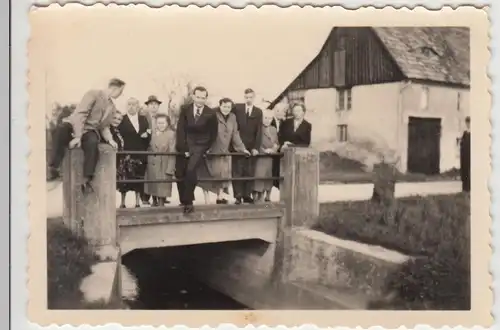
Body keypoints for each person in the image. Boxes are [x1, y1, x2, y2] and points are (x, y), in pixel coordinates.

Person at [47, 78, 125, 193]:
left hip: (89, 130)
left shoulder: (112, 107)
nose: (121, 94)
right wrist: (78, 136)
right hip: (74, 124)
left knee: (92, 143)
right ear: (114, 88)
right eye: (121, 91)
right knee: (61, 130)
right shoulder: (93, 94)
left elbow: (104, 126)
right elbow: (81, 114)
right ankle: (53, 167)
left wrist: (110, 140)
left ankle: (87, 180)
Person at [198, 98, 250, 204]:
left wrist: (243, 148)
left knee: (223, 174)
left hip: (224, 150)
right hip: (212, 149)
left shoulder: (232, 117)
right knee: (209, 173)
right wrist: (204, 147)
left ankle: (220, 197)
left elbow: (235, 134)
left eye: (229, 107)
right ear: (220, 106)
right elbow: (205, 132)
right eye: (224, 106)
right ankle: (207, 199)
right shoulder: (212, 115)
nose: (226, 109)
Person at [175, 86, 218, 213]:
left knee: (191, 169)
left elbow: (213, 133)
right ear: (193, 97)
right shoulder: (185, 109)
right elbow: (180, 128)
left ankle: (189, 202)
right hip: (185, 144)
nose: (200, 100)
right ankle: (183, 199)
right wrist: (183, 147)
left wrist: (206, 148)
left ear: (206, 98)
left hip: (201, 145)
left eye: (203, 98)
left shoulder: (211, 113)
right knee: (180, 171)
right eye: (198, 97)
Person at [117, 97, 151, 208]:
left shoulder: (143, 119)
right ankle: (123, 202)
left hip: (140, 152)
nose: (131, 107)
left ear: (138, 106)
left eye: (134, 104)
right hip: (126, 153)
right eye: (129, 104)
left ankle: (137, 202)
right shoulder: (122, 119)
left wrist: (147, 135)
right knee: (125, 178)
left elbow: (148, 135)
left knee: (138, 177)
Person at [231, 88, 262, 204]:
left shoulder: (258, 112)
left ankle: (247, 195)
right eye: (246, 97)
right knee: (237, 171)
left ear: (254, 97)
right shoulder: (237, 108)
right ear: (244, 97)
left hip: (251, 146)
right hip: (237, 145)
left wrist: (256, 148)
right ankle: (238, 196)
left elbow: (259, 131)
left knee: (249, 171)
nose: (248, 99)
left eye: (250, 97)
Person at [144, 113, 176, 206]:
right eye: (158, 123)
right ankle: (154, 201)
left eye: (163, 123)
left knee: (162, 187)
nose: (160, 125)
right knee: (153, 185)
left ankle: (161, 204)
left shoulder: (171, 134)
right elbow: (149, 147)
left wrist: (170, 168)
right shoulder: (152, 133)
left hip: (164, 163)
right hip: (152, 162)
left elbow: (172, 151)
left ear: (167, 123)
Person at [140, 95, 163, 205]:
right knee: (146, 172)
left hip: (158, 147)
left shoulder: (162, 117)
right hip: (147, 147)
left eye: (156, 105)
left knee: (157, 172)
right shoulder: (143, 117)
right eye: (151, 104)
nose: (154, 107)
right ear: (147, 106)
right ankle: (145, 197)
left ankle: (158, 196)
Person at [253, 110, 280, 203]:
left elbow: (276, 142)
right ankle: (257, 195)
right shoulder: (258, 128)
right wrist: (263, 150)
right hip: (261, 156)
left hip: (270, 156)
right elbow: (255, 142)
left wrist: (273, 149)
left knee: (268, 175)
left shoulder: (273, 129)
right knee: (259, 174)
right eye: (265, 118)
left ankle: (267, 195)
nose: (267, 120)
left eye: (270, 118)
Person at [460, 116, 471, 192]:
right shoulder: (465, 133)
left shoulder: (472, 133)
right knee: (465, 171)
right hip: (464, 155)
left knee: (469, 171)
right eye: (467, 122)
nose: (468, 124)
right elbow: (462, 144)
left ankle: (469, 188)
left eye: (469, 122)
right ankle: (465, 188)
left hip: (470, 155)